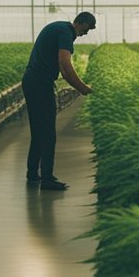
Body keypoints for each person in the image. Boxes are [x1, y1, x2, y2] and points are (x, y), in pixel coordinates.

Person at [23, 12, 95, 191]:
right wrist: (82, 87)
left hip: (32, 81)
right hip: (39, 83)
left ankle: (33, 173)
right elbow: (65, 65)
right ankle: (47, 178)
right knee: (48, 132)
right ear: (81, 23)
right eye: (88, 28)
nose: (87, 33)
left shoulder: (59, 27)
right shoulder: (65, 33)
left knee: (39, 130)